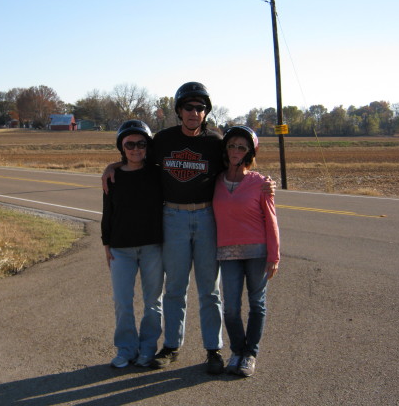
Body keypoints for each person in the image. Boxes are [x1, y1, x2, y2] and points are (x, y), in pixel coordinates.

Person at [103, 82, 275, 374]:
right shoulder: (163, 140)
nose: (194, 112)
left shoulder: (215, 142)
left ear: (206, 111)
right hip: (173, 217)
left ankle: (213, 349)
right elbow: (136, 155)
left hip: (207, 217)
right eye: (188, 107)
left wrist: (264, 183)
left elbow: (238, 164)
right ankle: (171, 346)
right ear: (179, 111)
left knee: (210, 289)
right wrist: (113, 166)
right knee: (175, 288)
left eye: (200, 107)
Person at [212, 125, 280, 377]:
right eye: (231, 145)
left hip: (257, 253)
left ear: (250, 152)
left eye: (241, 147)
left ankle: (250, 354)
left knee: (256, 304)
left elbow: (271, 221)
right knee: (230, 307)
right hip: (227, 253)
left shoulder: (261, 184)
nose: (235, 151)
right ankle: (237, 350)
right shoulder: (216, 181)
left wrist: (274, 256)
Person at [101, 120, 164, 368]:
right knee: (122, 301)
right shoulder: (113, 177)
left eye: (141, 143)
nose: (136, 149)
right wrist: (107, 244)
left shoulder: (158, 174)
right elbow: (108, 213)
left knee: (152, 302)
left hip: (152, 247)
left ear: (147, 146)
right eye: (130, 144)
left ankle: (148, 348)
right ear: (122, 147)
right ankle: (126, 349)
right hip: (121, 249)